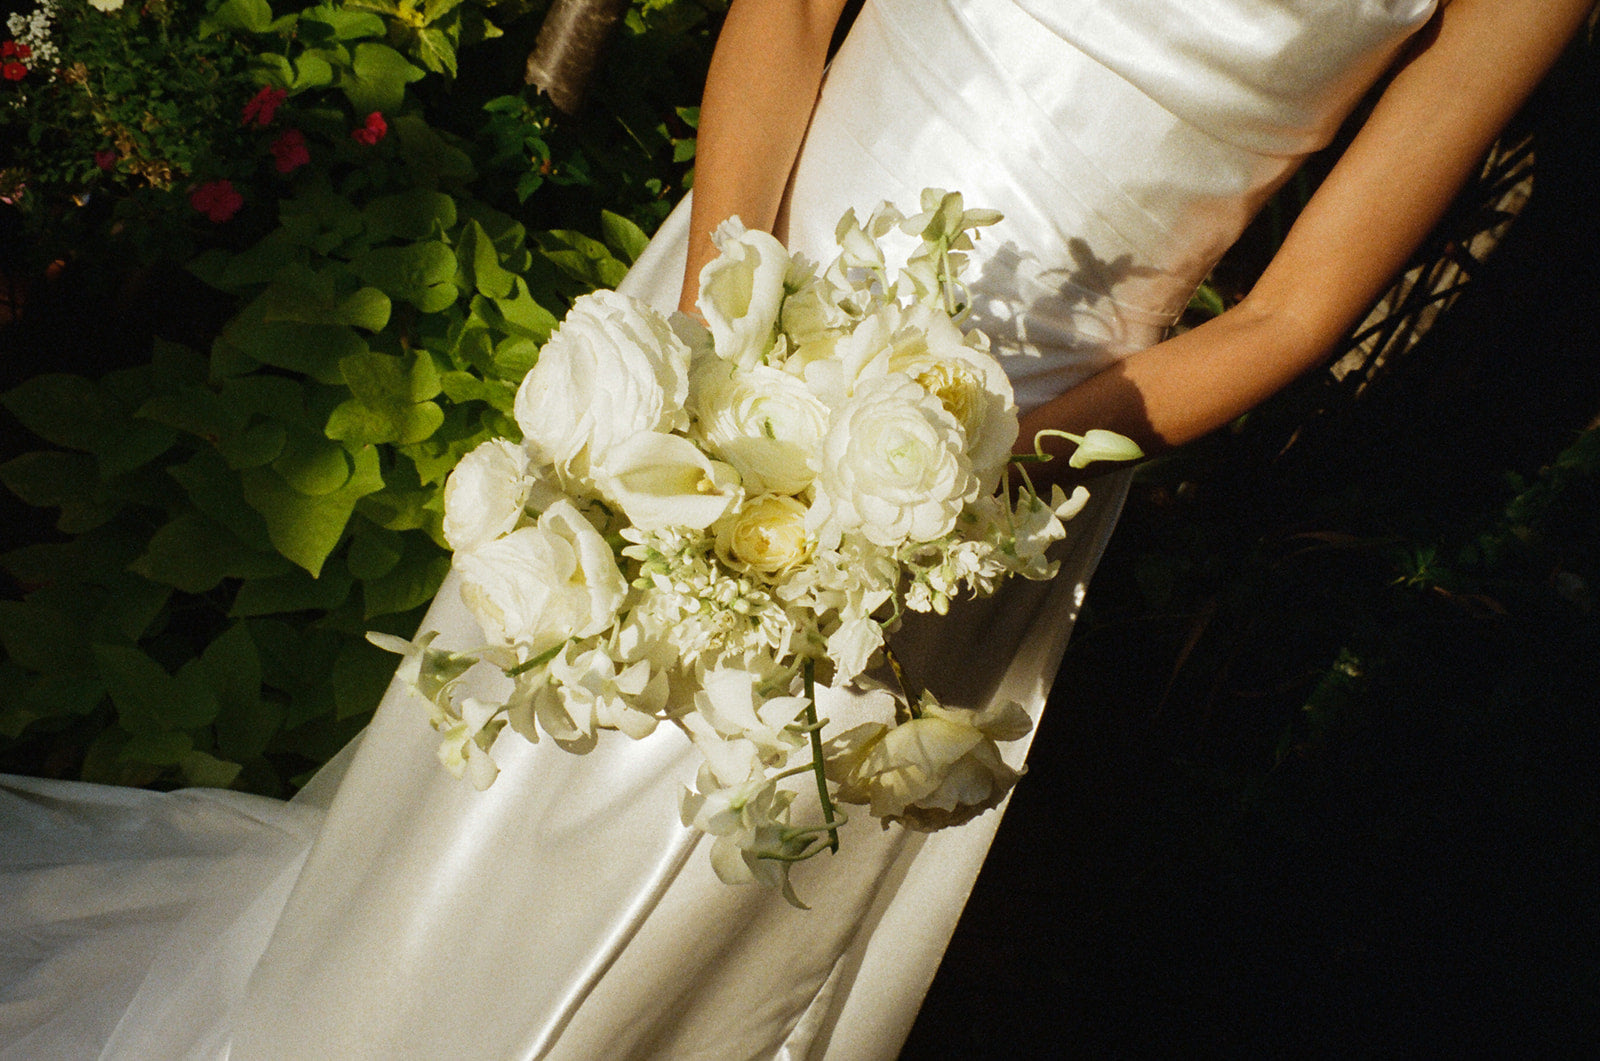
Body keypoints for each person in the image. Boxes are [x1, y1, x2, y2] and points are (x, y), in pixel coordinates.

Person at [1, 1, 1589, 1058]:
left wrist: (975, 470)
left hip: (988, 493)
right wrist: (722, 347)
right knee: (510, 800)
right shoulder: (715, 334)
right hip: (732, 314)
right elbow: (777, 20)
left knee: (723, 905)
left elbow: (1303, 308)